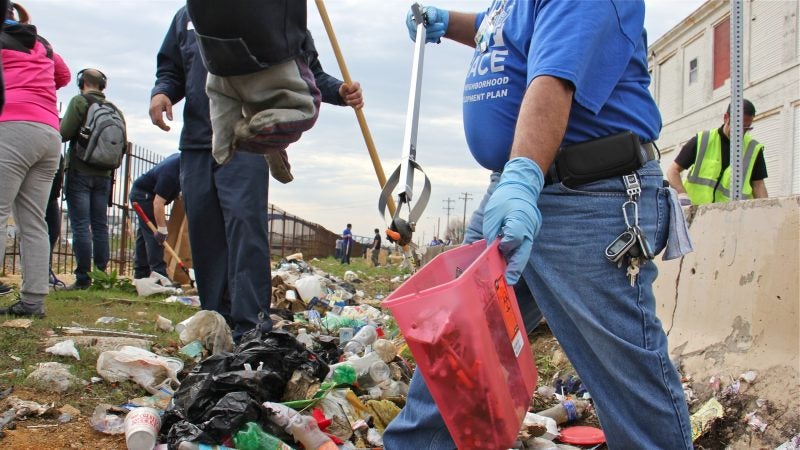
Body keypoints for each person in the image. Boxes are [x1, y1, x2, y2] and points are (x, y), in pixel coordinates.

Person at [383, 2, 693, 449]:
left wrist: (523, 173)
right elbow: (513, 32)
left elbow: (554, 77)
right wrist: (453, 24)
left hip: (587, 196)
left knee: (625, 381)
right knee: (456, 351)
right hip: (518, 184)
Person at [149, 6, 363, 340]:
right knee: (205, 233)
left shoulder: (272, 9)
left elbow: (306, 70)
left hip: (246, 138)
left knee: (245, 228)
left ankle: (251, 323)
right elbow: (172, 67)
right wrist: (161, 92)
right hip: (195, 142)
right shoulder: (192, 14)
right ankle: (216, 321)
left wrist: (338, 91)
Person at [0, 4, 70, 314]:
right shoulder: (41, 43)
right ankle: (33, 300)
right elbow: (64, 76)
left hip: (11, 125)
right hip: (48, 132)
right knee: (33, 220)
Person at [60, 68, 123, 290]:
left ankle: (83, 278)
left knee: (80, 225)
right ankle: (101, 275)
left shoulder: (80, 102)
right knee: (100, 225)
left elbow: (64, 133)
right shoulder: (115, 110)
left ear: (82, 82)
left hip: (80, 171)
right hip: (105, 176)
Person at [667, 99, 768, 205]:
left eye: (746, 128)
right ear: (726, 118)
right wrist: (682, 194)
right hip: (697, 215)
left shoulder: (753, 149)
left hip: (732, 217)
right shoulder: (703, 141)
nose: (741, 132)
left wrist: (765, 210)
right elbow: (673, 171)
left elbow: (759, 185)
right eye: (737, 126)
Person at [129, 153, 181, 281]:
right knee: (155, 236)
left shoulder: (182, 160)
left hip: (146, 193)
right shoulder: (171, 173)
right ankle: (160, 276)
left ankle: (141, 274)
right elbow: (158, 203)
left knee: (144, 235)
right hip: (143, 196)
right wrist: (162, 229)